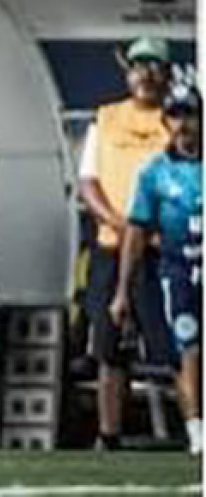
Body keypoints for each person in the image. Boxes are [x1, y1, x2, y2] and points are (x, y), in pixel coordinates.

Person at [76, 36, 179, 448]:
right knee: (109, 346)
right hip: (112, 244)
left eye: (155, 66)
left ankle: (194, 428)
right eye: (140, 65)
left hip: (162, 249)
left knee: (177, 344)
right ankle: (109, 435)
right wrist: (118, 223)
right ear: (128, 71)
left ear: (168, 75)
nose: (147, 74)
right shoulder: (106, 118)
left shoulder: (178, 120)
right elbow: (88, 181)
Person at [113, 85, 202, 456]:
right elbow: (136, 231)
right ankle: (196, 428)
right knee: (188, 347)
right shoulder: (154, 173)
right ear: (166, 121)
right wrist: (122, 290)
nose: (184, 124)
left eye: (190, 115)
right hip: (179, 270)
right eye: (176, 115)